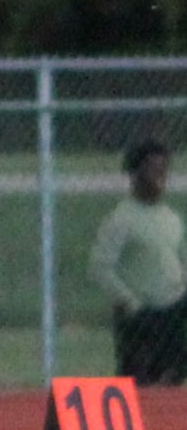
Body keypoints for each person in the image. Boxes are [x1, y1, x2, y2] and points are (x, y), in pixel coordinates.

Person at [89, 138, 187, 385]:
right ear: (135, 174)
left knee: (171, 378)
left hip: (173, 311)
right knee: (137, 383)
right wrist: (131, 302)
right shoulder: (121, 219)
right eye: (153, 170)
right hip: (140, 316)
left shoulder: (171, 218)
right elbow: (100, 268)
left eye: (164, 170)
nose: (160, 177)